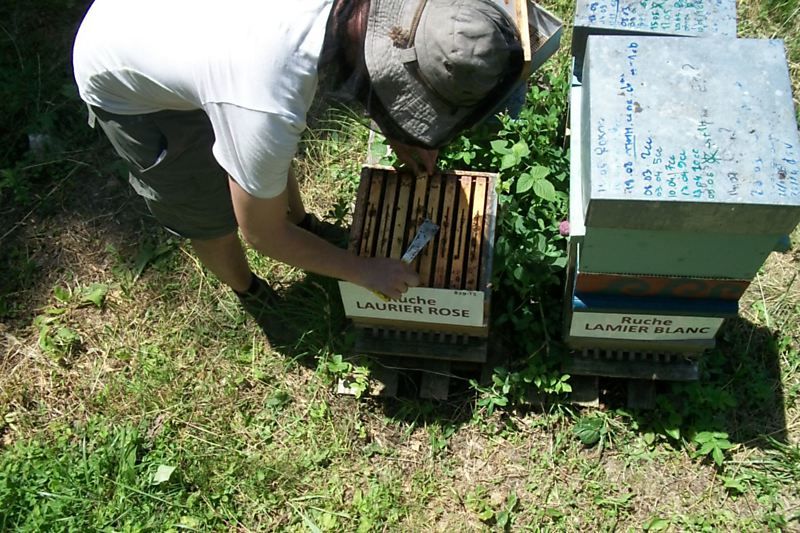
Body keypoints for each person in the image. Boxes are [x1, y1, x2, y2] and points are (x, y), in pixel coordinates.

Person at [72, 0, 523, 342]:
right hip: (123, 70)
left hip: (192, 37)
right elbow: (261, 234)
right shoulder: (265, 99)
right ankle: (250, 292)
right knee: (210, 215)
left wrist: (399, 127)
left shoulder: (340, 29)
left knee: (262, 163)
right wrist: (363, 271)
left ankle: (302, 222)